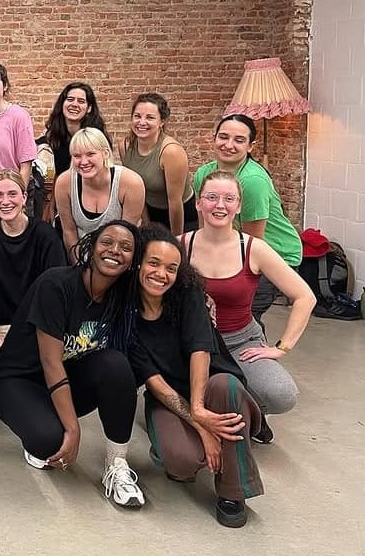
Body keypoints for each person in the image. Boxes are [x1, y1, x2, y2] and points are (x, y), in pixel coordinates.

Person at [0, 220, 146, 508]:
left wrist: (203, 298)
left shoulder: (122, 294)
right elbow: (50, 361)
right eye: (107, 242)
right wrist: (73, 429)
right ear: (92, 246)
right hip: (18, 381)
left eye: (126, 248)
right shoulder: (56, 284)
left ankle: (116, 465)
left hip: (68, 377)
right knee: (50, 441)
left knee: (116, 365)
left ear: (133, 260)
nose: (114, 251)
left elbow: (170, 294)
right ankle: (41, 427)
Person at [128, 223, 262, 527]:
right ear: (138, 264)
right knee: (182, 463)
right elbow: (154, 382)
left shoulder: (187, 293)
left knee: (225, 386)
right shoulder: (126, 312)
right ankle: (183, 444)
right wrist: (200, 425)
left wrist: (200, 407)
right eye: (153, 263)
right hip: (168, 395)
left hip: (211, 384)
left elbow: (200, 350)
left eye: (171, 268)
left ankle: (233, 492)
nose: (162, 274)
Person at [183, 170, 315, 444]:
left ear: (239, 206)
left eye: (229, 198)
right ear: (198, 203)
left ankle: (247, 415)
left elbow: (305, 296)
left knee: (281, 394)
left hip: (241, 342)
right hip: (193, 344)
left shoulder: (254, 248)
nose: (220, 205)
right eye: (211, 197)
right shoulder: (181, 245)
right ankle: (218, 408)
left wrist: (282, 347)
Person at [193, 114, 302, 324]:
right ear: (213, 138)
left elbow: (254, 243)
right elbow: (204, 227)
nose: (229, 145)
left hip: (274, 251)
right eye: (223, 137)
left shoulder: (252, 181)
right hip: (235, 245)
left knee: (241, 317)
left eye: (239, 140)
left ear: (251, 146)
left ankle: (256, 354)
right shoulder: (203, 175)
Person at [0, 170, 66, 367]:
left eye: (12, 194)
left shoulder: (45, 237)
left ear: (24, 197)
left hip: (35, 326)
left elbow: (54, 292)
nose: (5, 201)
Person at [55, 127, 145, 262]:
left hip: (116, 257)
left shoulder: (131, 183)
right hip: (80, 257)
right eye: (77, 156)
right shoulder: (64, 183)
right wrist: (80, 267)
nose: (84, 162)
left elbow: (125, 237)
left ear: (106, 153)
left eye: (90, 154)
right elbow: (69, 232)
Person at [120, 92, 196, 235]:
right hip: (152, 212)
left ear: (162, 122)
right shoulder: (125, 146)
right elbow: (136, 189)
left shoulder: (171, 152)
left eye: (150, 117)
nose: (142, 122)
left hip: (181, 216)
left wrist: (177, 239)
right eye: (137, 116)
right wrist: (147, 225)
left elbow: (175, 202)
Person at [38, 82, 109, 221]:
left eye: (81, 101)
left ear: (89, 108)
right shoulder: (54, 138)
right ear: (62, 104)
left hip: (90, 199)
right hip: (63, 197)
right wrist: (51, 203)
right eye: (70, 99)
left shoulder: (96, 139)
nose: (74, 104)